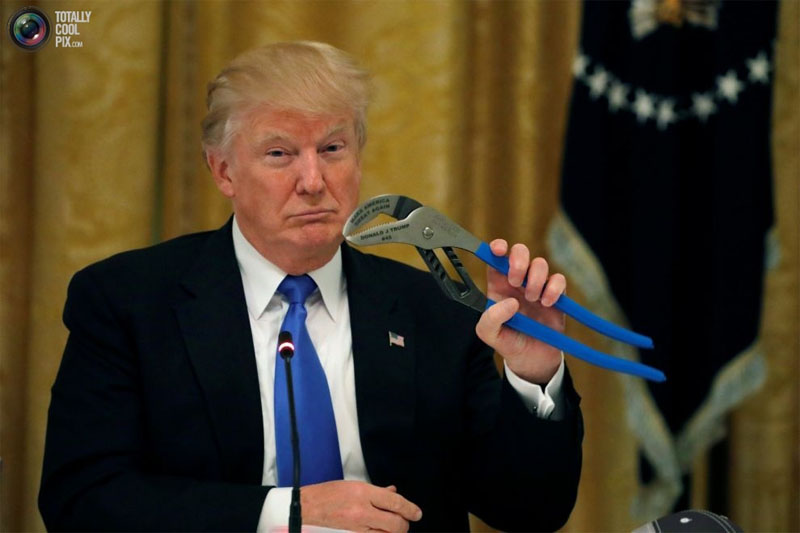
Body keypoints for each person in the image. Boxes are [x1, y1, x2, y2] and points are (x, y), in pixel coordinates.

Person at [39, 41, 583, 532]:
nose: (313, 181)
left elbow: (530, 511)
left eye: (332, 149)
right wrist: (288, 513)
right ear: (223, 171)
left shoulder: (433, 309)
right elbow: (82, 500)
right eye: (279, 154)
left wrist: (534, 374)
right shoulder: (128, 301)